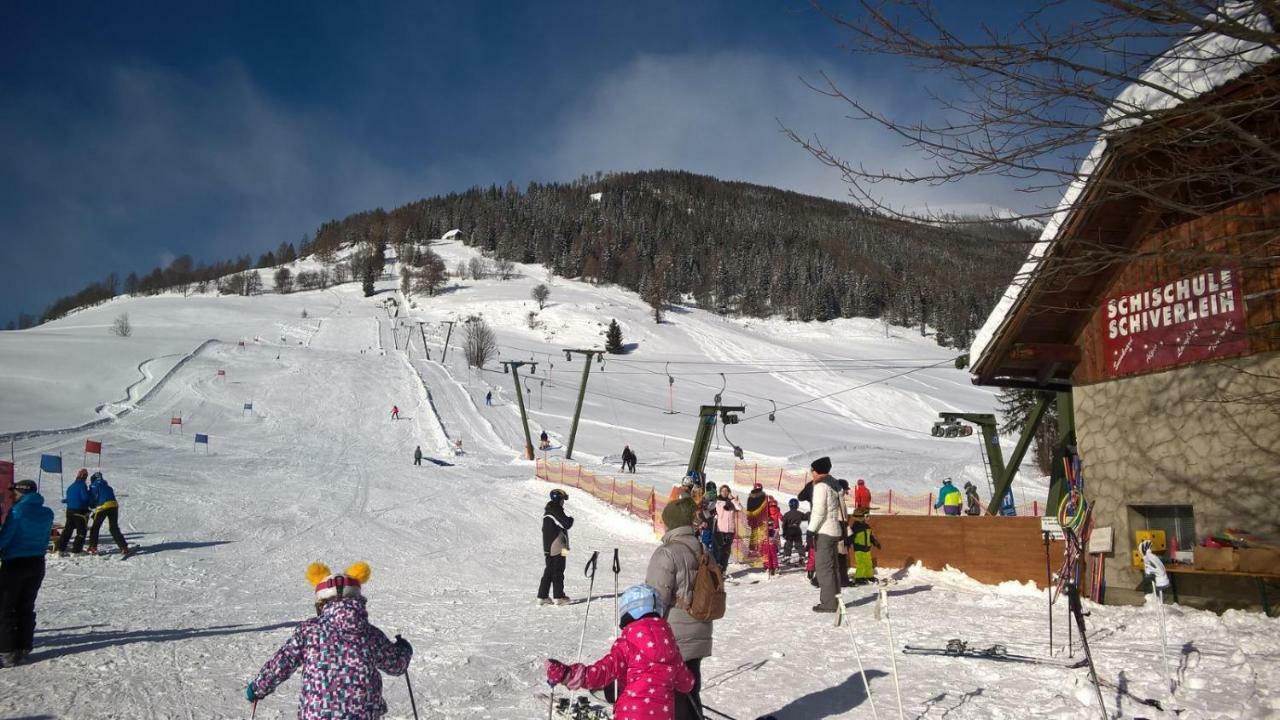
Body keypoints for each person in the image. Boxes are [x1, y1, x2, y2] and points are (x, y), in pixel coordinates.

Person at [246, 561, 412, 718]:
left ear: (321, 603)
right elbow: (396, 665)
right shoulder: (370, 634)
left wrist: (258, 688)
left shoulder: (308, 631)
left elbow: (282, 662)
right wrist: (403, 650)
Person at [546, 584, 695, 720]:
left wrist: (568, 674)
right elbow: (686, 683)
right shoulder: (671, 647)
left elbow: (602, 672)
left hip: (630, 714)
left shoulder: (628, 644)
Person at [645, 498, 713, 720]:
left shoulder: (667, 553)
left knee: (675, 694)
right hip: (700, 627)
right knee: (691, 686)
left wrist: (647, 635)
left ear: (671, 523)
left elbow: (655, 600)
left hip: (674, 635)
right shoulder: (703, 549)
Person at [0, 480, 54, 667]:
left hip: (15, 563)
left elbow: (5, 538)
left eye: (14, 492)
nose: (12, 496)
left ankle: (6, 651)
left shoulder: (17, 512)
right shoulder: (47, 513)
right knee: (25, 605)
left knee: (5, 608)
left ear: (22, 492)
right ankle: (23, 647)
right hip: (37, 563)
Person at [807, 456, 845, 613]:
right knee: (833, 567)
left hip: (824, 530)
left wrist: (810, 530)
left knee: (824, 568)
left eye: (812, 471)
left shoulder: (821, 486)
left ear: (817, 471)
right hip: (835, 528)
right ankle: (836, 600)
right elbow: (842, 507)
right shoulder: (835, 484)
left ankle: (829, 603)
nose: (811, 474)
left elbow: (819, 511)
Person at [538, 489, 573, 606]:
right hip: (558, 546)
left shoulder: (549, 510)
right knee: (559, 569)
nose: (563, 502)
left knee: (549, 570)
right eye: (563, 500)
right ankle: (559, 596)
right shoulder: (555, 510)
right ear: (559, 499)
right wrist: (571, 519)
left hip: (549, 547)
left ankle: (542, 596)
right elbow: (567, 524)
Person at [86, 472, 130, 556]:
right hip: (114, 506)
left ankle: (92, 547)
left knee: (95, 527)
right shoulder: (108, 487)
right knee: (114, 528)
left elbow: (93, 499)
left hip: (103, 507)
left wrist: (90, 505)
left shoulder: (94, 486)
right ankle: (124, 547)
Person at [55, 469, 92, 556]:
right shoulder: (82, 486)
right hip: (79, 511)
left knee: (67, 530)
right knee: (81, 531)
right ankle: (77, 550)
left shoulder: (71, 486)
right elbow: (85, 498)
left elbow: (69, 499)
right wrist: (91, 499)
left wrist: (66, 501)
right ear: (85, 477)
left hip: (70, 511)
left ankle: (60, 549)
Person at [848, 508, 881, 584]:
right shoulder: (855, 527)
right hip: (859, 548)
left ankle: (869, 575)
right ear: (860, 516)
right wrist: (848, 543)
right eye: (866, 515)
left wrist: (875, 542)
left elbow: (870, 536)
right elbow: (851, 537)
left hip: (867, 548)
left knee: (868, 563)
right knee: (861, 563)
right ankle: (859, 578)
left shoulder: (867, 526)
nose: (868, 517)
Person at [712, 485, 739, 572]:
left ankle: (723, 570)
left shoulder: (732, 502)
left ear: (729, 492)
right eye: (723, 491)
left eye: (726, 491)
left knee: (726, 551)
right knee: (719, 550)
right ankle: (717, 569)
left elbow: (739, 508)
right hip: (720, 529)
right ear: (720, 492)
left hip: (730, 530)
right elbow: (720, 510)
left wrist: (733, 500)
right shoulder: (717, 502)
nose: (724, 492)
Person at [836, 479, 853, 587]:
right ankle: (843, 580)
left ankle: (818, 579)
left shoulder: (838, 498)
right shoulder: (838, 499)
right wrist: (844, 533)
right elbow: (841, 518)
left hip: (839, 529)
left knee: (837, 557)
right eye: (846, 489)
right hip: (839, 530)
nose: (847, 492)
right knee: (840, 557)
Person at [761, 497, 782, 577]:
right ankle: (772, 567)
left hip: (769, 543)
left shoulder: (768, 511)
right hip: (773, 532)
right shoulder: (777, 510)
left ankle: (770, 567)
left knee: (769, 556)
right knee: (772, 556)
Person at [781, 498, 806, 566]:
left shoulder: (787, 514)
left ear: (790, 505)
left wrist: (784, 532)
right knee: (799, 544)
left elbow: (784, 524)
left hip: (789, 530)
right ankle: (802, 556)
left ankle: (787, 556)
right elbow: (805, 517)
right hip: (797, 530)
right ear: (797, 505)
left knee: (788, 545)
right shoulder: (799, 513)